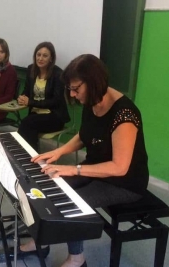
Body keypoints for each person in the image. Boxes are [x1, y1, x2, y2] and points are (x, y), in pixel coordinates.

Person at [14, 54, 149, 267]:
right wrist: (59, 152)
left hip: (125, 182)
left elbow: (120, 167)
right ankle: (41, 240)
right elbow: (84, 135)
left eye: (76, 89)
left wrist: (73, 169)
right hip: (95, 168)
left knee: (71, 203)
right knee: (46, 186)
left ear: (94, 82)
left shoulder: (124, 114)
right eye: (70, 89)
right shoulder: (92, 99)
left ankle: (77, 258)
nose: (74, 95)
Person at [17, 42, 70, 150]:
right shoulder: (31, 69)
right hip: (36, 114)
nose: (40, 58)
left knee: (27, 124)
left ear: (51, 58)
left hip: (54, 116)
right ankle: (30, 157)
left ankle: (29, 157)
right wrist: (22, 97)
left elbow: (55, 101)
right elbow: (27, 90)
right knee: (28, 125)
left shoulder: (58, 74)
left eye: (45, 56)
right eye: (38, 54)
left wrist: (30, 102)